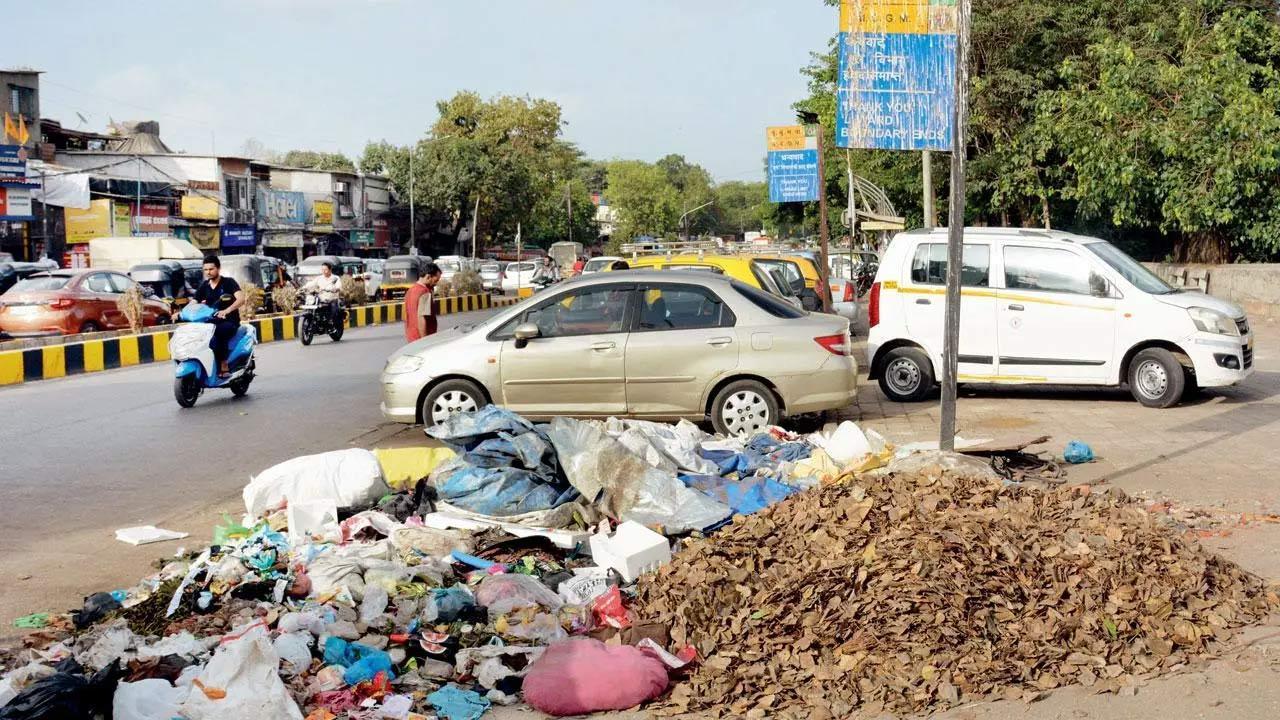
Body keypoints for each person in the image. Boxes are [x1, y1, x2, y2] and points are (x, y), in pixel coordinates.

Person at [193, 254, 246, 378]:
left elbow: (241, 299)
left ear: (218, 268)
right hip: (210, 322)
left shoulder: (228, 282)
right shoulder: (204, 286)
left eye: (211, 269)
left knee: (218, 333)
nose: (208, 272)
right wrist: (182, 312)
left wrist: (227, 310)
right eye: (205, 270)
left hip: (229, 321)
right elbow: (194, 301)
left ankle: (224, 364)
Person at [404, 262, 443, 343]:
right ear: (428, 277)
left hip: (411, 339)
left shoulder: (410, 290)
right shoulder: (424, 292)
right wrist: (424, 341)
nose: (436, 284)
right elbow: (422, 318)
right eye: (435, 280)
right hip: (422, 340)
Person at [301, 261, 343, 329]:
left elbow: (339, 286)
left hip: (331, 299)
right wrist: (303, 288)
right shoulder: (319, 278)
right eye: (322, 269)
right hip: (321, 299)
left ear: (330, 270)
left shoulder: (335, 278)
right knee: (311, 304)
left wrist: (335, 289)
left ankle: (331, 322)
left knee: (333, 307)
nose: (324, 271)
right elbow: (312, 284)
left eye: (325, 269)